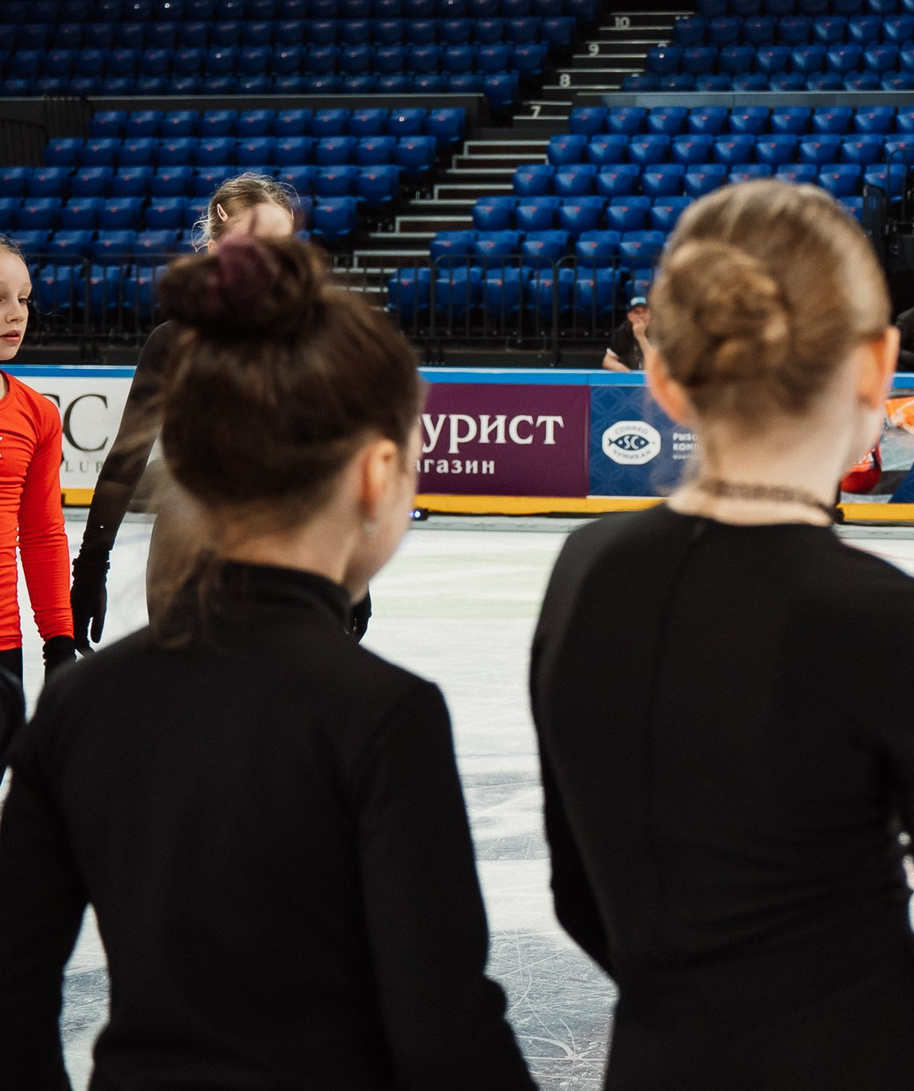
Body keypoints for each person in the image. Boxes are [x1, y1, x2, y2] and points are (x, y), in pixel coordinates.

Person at [531, 179, 914, 1091]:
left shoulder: (585, 574)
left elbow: (582, 893)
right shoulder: (902, 626)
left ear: (661, 376)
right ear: (878, 365)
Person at [0, 233, 535, 1089]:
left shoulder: (78, 707)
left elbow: (12, 1005)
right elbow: (445, 1026)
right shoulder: (385, 715)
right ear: (375, 474)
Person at [70, 174, 311, 644]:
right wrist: (91, 565)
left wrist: (351, 578)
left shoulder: (309, 338)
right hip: (186, 548)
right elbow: (125, 463)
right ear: (217, 246)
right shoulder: (173, 341)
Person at [0, 236, 74, 761]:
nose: (14, 314)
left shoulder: (36, 414)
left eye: (23, 299)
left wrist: (59, 641)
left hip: (3, 644)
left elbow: (43, 534)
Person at [602, 292, 651, 372]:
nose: (641, 315)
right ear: (629, 316)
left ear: (650, 314)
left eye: (644, 311)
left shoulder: (659, 331)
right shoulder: (623, 331)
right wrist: (628, 373)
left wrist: (641, 337)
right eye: (636, 312)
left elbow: (657, 363)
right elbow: (607, 361)